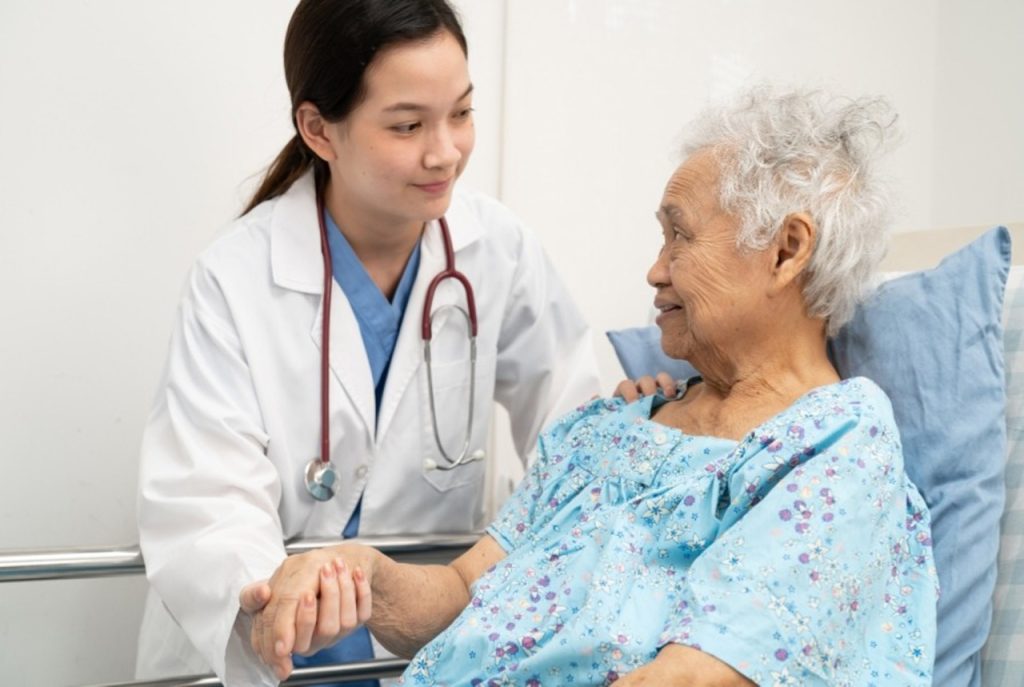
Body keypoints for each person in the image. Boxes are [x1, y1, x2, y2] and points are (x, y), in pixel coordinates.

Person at [243, 86, 940, 686]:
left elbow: (694, 674)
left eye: (680, 238)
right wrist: (355, 572)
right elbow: (462, 589)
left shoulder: (837, 446)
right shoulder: (611, 429)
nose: (654, 271)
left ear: (787, 250)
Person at [135, 1, 601, 685]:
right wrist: (273, 590)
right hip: (269, 643)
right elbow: (203, 496)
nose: (445, 151)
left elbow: (573, 428)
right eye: (408, 124)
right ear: (319, 129)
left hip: (419, 646)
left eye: (462, 113)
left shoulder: (498, 252)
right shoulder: (233, 277)